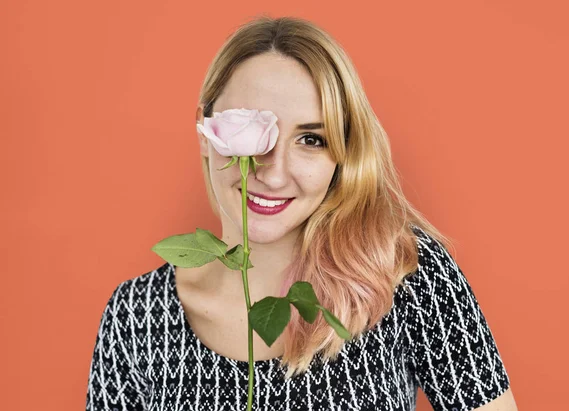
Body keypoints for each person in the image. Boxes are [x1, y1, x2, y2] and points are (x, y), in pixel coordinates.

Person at [85, 15, 517, 411]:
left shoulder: (405, 272)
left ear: (340, 156)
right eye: (253, 131)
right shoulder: (135, 317)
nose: (273, 174)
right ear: (205, 131)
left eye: (311, 140)